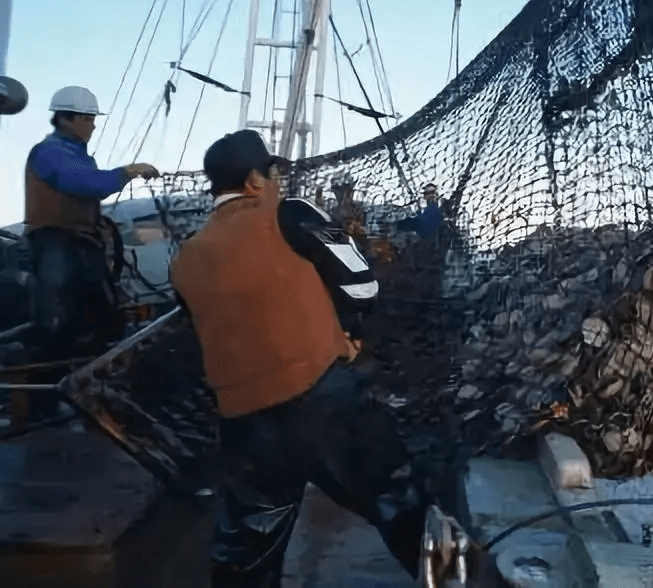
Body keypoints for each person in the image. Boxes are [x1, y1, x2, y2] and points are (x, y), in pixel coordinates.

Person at [169, 129, 425, 587]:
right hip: (325, 399)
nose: (279, 182)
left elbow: (204, 325)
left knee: (249, 541)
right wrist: (347, 328)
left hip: (244, 423)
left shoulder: (186, 255)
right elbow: (362, 284)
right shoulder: (294, 213)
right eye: (273, 173)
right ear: (253, 181)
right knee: (401, 505)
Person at [24, 85, 159, 360]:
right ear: (64, 119)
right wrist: (129, 171)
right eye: (87, 119)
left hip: (83, 244)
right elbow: (86, 183)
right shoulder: (49, 153)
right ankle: (53, 377)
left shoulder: (78, 157)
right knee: (60, 322)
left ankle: (89, 370)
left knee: (101, 319)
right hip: (55, 243)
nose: (93, 126)